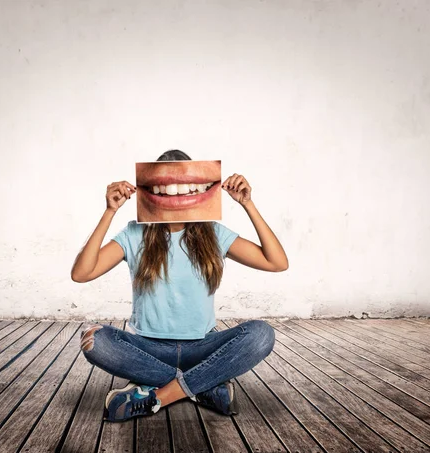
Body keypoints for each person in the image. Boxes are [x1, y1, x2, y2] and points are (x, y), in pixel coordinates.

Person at [71, 149, 288, 422]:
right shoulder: (134, 233)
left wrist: (248, 204)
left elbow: (276, 262)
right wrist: (109, 212)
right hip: (147, 349)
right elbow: (82, 273)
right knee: (95, 340)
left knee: (261, 334)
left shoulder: (214, 233)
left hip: (203, 348)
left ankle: (159, 395)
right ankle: (203, 387)